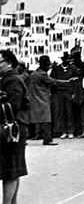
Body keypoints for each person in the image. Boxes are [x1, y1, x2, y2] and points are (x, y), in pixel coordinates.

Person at [0, 50, 29, 204]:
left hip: (12, 129)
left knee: (9, 172)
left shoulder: (12, 80)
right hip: (13, 128)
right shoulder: (8, 79)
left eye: (0, 62)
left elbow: (13, 106)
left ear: (9, 62)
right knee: (13, 171)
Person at [28, 56, 77, 146]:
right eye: (48, 65)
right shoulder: (42, 74)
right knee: (47, 120)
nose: (49, 67)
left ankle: (28, 138)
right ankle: (48, 139)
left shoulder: (35, 73)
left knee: (33, 119)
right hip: (42, 99)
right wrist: (67, 81)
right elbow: (53, 82)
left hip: (35, 98)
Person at [50, 52, 79, 139]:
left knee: (69, 112)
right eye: (66, 59)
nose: (68, 61)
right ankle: (63, 131)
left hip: (69, 92)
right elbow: (53, 80)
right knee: (61, 112)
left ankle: (71, 131)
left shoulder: (73, 68)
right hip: (59, 92)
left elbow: (76, 81)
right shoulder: (57, 68)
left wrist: (74, 92)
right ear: (62, 59)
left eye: (69, 59)